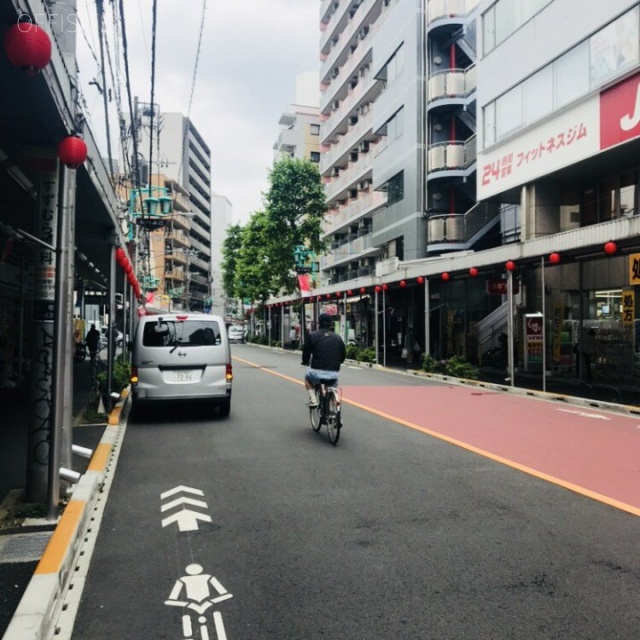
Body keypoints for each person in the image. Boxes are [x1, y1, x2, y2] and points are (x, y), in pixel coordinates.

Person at [301, 313, 346, 406]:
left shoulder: (312, 335)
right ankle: (334, 398)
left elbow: (306, 352)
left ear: (319, 323)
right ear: (330, 324)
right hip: (333, 372)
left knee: (307, 378)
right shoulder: (337, 337)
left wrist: (305, 362)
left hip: (317, 372)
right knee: (331, 383)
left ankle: (313, 399)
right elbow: (343, 354)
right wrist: (339, 361)